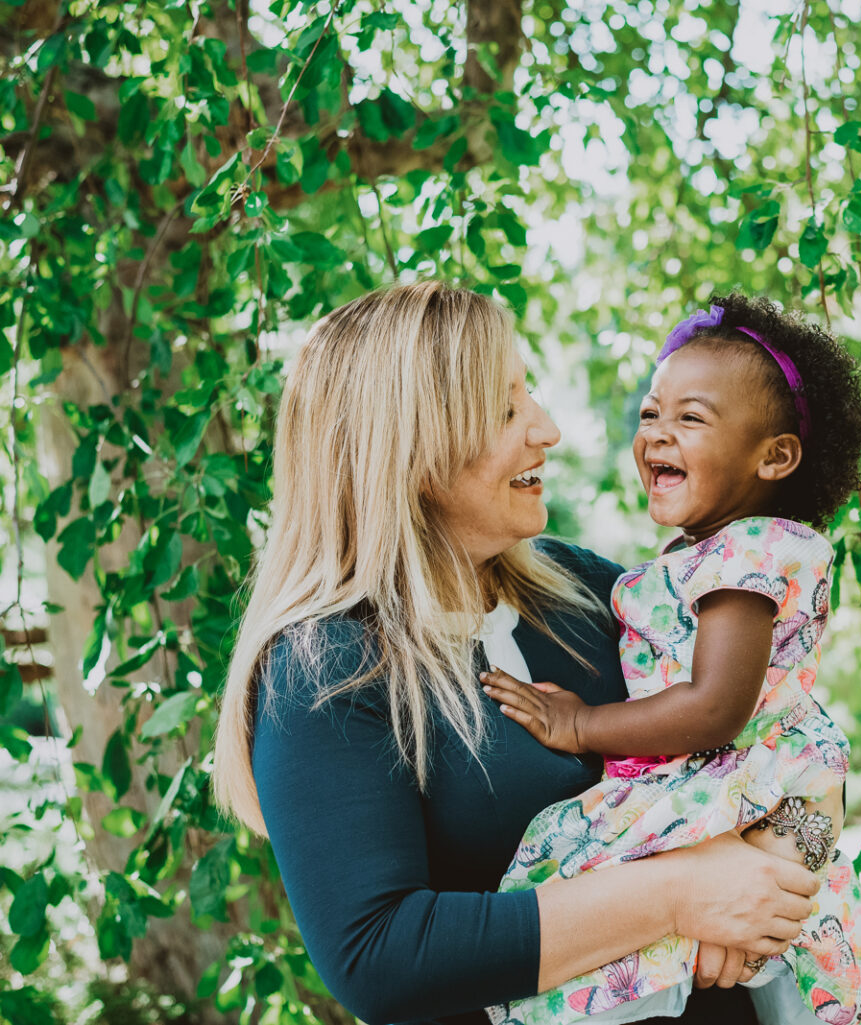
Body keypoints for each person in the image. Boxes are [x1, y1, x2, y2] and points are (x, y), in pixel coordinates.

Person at [210, 282, 822, 1025]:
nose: (548, 430)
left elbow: (789, 727)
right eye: (506, 410)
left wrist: (776, 873)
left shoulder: (592, 591)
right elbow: (379, 959)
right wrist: (681, 894)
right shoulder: (327, 666)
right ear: (410, 446)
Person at [478, 295, 861, 1025]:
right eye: (650, 414)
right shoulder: (700, 558)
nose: (658, 434)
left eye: (690, 418)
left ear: (775, 455)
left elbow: (714, 708)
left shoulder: (746, 559)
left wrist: (583, 723)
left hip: (750, 785)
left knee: (570, 864)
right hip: (743, 787)